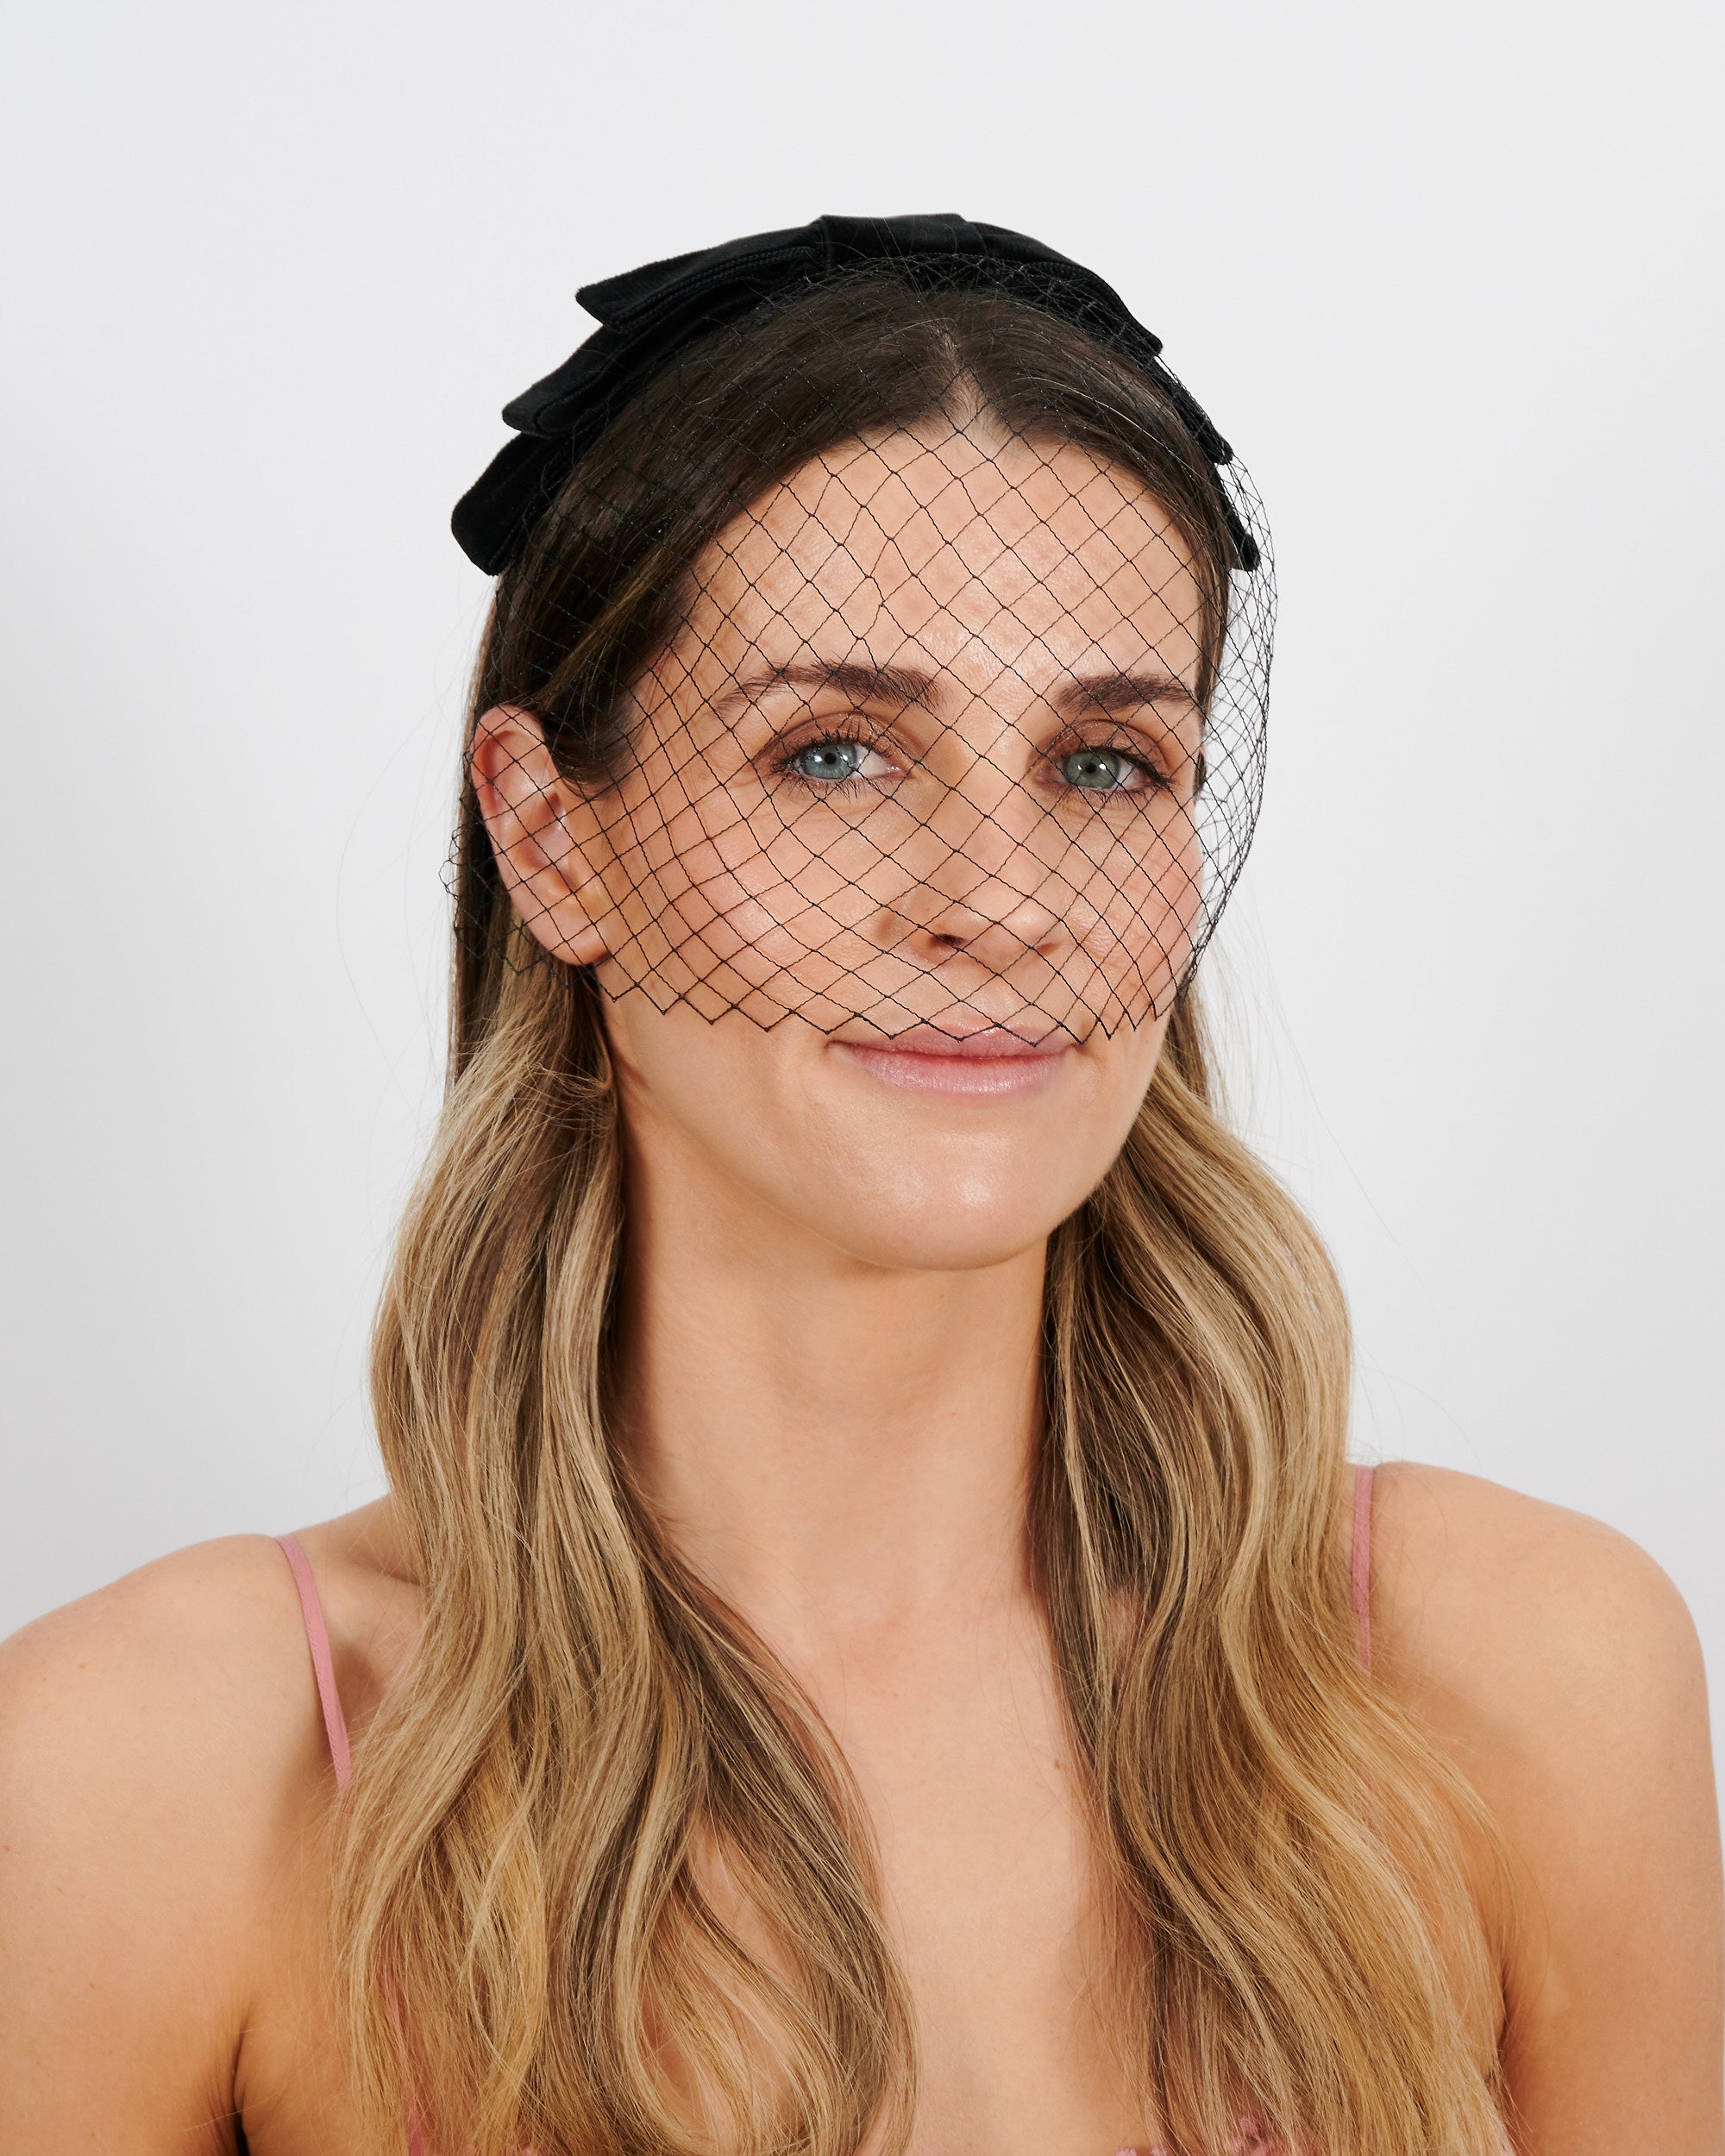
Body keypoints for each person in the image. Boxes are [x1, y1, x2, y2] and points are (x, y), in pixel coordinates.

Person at [0, 216, 1718, 2156]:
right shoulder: (146, 1773)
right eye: (834, 754)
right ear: (551, 838)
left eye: (1104, 765)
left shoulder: (1525, 1675)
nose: (998, 903)